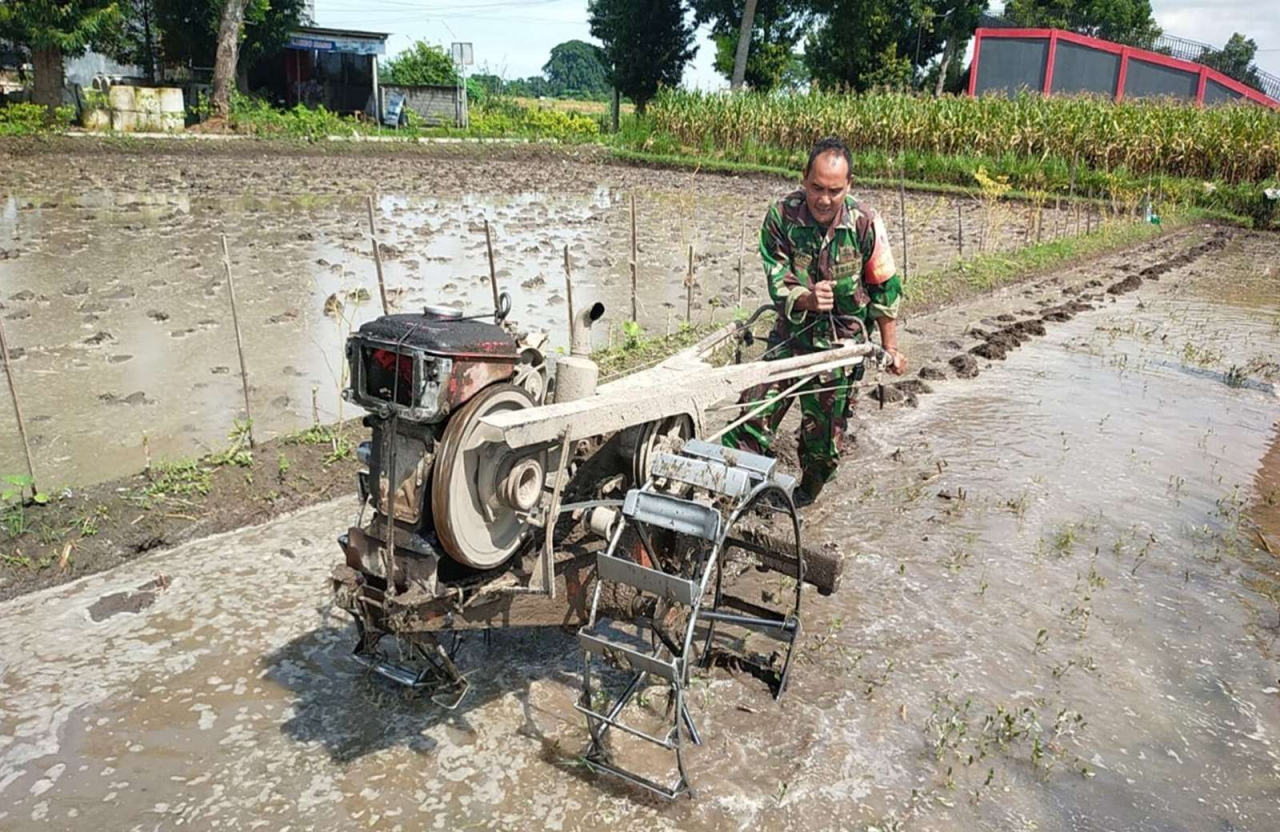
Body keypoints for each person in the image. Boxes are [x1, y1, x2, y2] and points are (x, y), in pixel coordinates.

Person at [721, 136, 908, 506]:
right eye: (817, 188)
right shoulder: (782, 217)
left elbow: (885, 290)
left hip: (842, 347)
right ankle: (732, 496)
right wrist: (806, 298)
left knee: (823, 445)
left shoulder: (865, 224)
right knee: (752, 414)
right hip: (791, 337)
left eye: (834, 191)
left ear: (849, 185)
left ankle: (804, 498)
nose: (824, 199)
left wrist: (890, 349)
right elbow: (778, 279)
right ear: (804, 178)